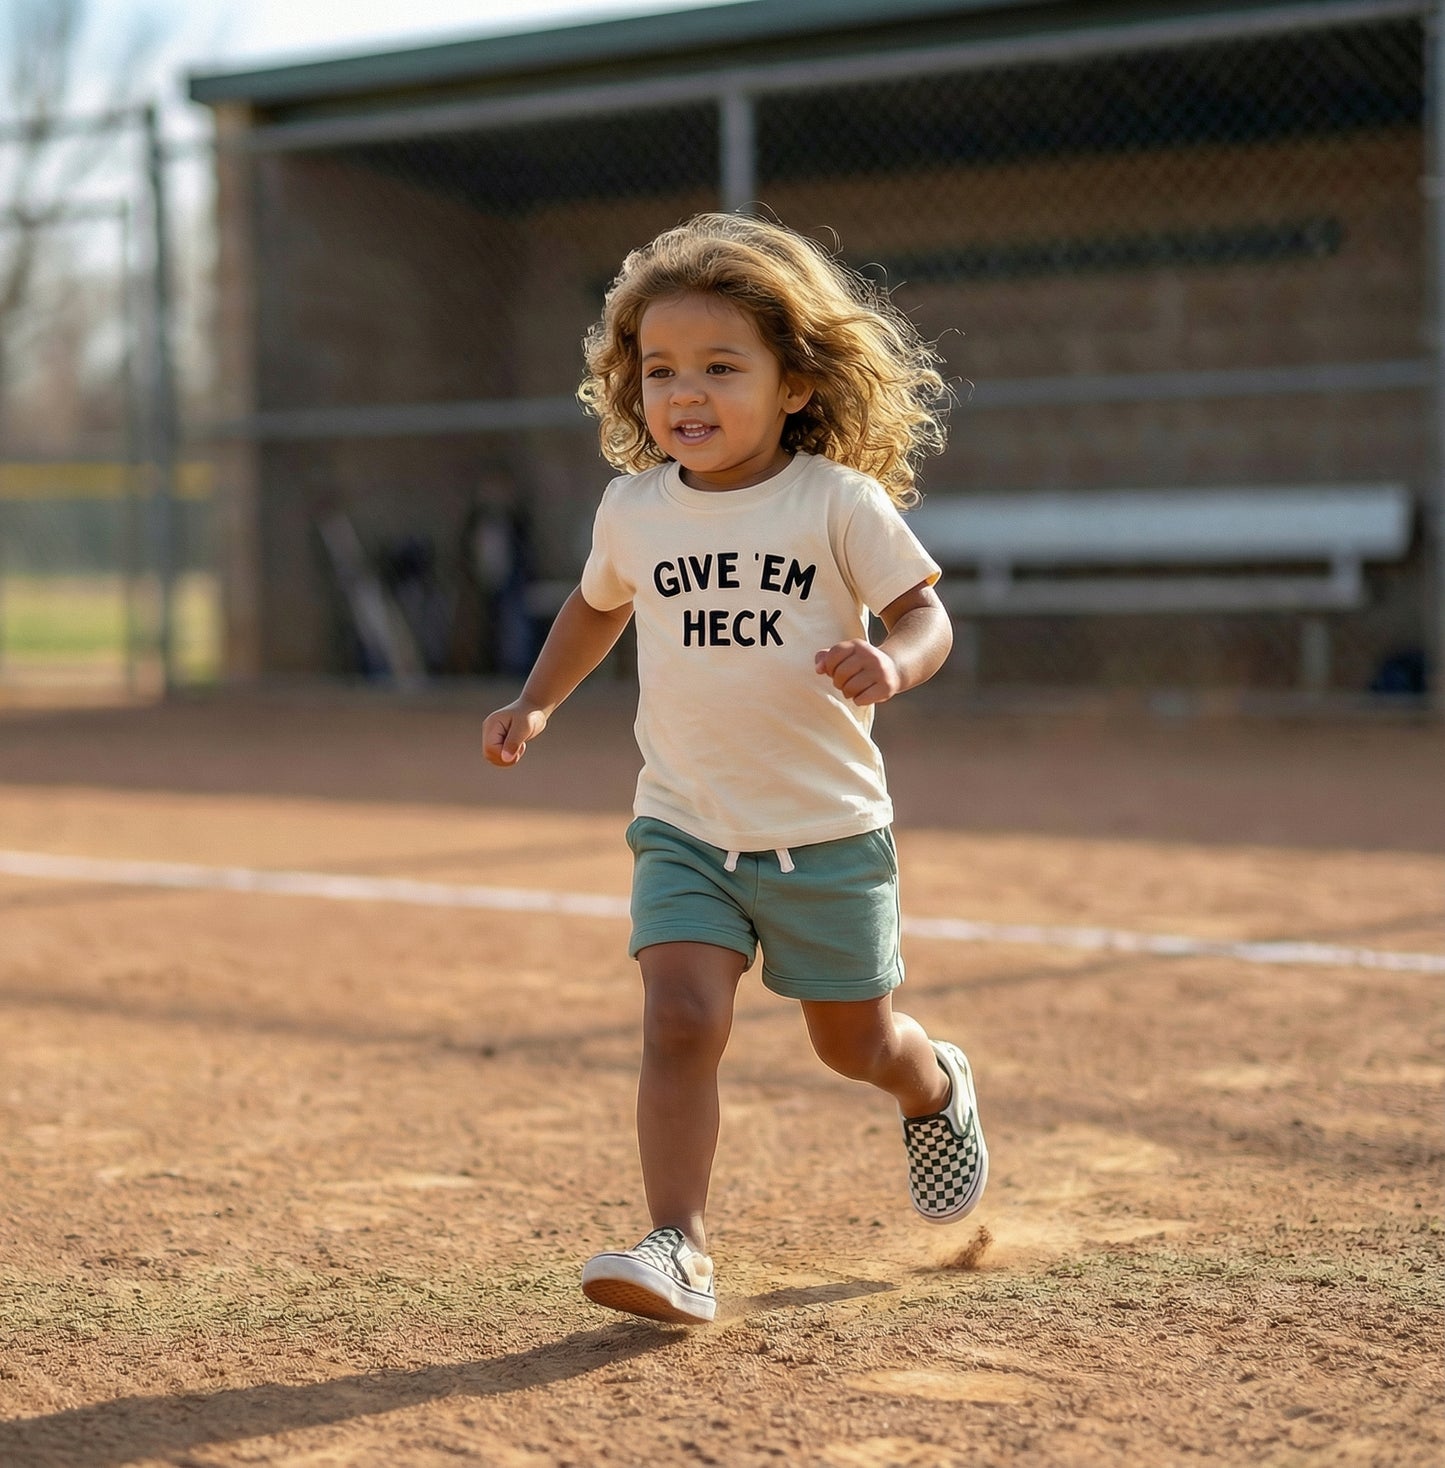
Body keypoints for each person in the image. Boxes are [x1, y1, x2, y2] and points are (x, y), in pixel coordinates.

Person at [482, 212, 986, 1325]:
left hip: (825, 830)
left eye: (720, 365)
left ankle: (932, 1083)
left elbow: (925, 613)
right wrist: (535, 699)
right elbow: (591, 605)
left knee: (853, 1041)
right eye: (659, 369)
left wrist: (890, 664)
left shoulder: (835, 504)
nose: (683, 392)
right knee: (677, 1018)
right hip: (684, 826)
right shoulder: (634, 508)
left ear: (795, 382)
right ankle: (680, 1245)